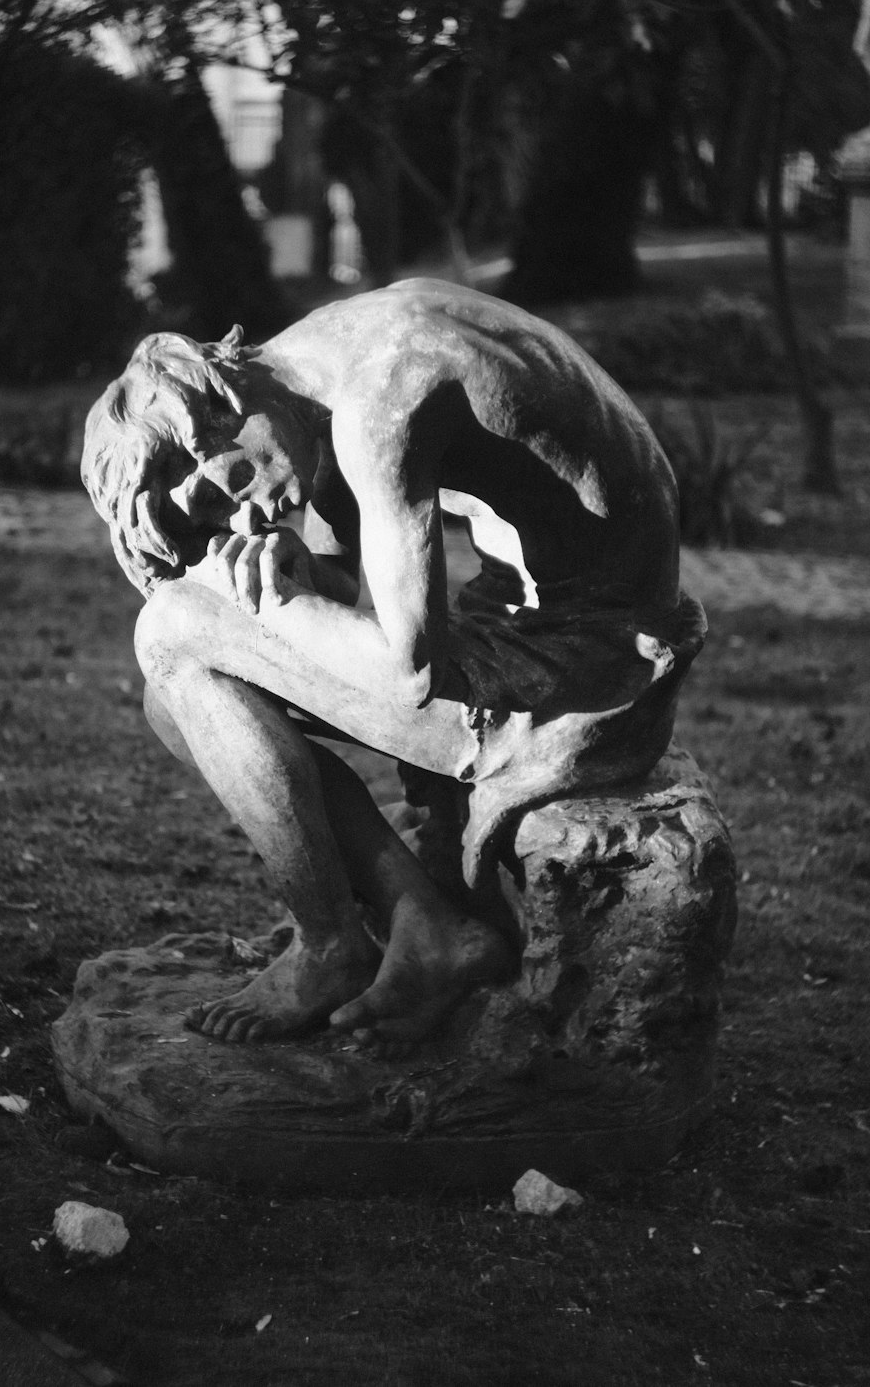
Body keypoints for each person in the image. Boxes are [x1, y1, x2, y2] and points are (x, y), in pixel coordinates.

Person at [81, 278, 705, 1047]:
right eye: (224, 521)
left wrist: (238, 608)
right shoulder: (315, 367)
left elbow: (409, 673)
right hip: (542, 622)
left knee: (172, 630)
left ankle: (331, 948)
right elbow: (358, 595)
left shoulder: (385, 399)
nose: (248, 516)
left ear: (217, 408)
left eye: (232, 486)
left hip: (585, 669)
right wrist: (291, 569)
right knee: (174, 691)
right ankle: (426, 923)